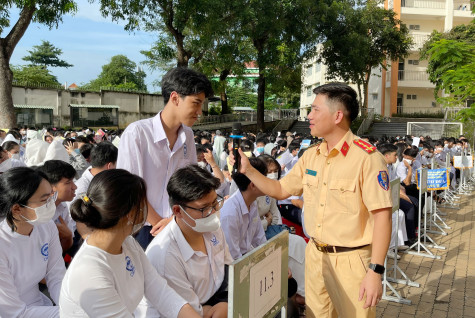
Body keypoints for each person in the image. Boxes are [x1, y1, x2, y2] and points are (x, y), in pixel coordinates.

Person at [234, 83, 392, 318]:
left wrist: (375, 271)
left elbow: (382, 217)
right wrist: (248, 170)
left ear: (338, 115)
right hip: (316, 254)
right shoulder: (311, 156)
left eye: (316, 109)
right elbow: (279, 189)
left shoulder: (367, 158)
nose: (309, 116)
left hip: (352, 260)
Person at [59, 169, 200, 317]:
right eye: (144, 203)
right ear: (131, 213)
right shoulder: (89, 273)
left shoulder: (127, 243)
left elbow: (160, 291)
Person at [117, 67, 213, 249]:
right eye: (196, 103)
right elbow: (130, 191)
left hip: (177, 224)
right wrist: (161, 224)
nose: (200, 111)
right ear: (175, 98)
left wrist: (174, 222)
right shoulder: (137, 134)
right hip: (143, 230)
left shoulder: (188, 136)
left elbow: (189, 185)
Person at [137, 165, 232, 317]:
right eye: (205, 208)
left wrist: (225, 302)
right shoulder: (166, 256)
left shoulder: (211, 228)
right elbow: (189, 312)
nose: (214, 212)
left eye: (216, 203)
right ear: (177, 211)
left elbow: (228, 266)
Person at [0, 167, 66, 317]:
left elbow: (56, 276)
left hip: (42, 307)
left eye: (51, 196)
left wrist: (71, 307)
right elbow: (15, 313)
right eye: (44, 200)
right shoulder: (2, 246)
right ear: (17, 209)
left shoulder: (47, 227)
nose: (51, 204)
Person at [220, 157, 267, 260]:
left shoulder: (252, 203)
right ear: (253, 185)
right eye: (265, 179)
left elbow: (260, 239)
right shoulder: (230, 213)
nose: (268, 182)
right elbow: (233, 257)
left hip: (245, 258)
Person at [36, 160, 77, 252]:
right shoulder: (35, 213)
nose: (75, 187)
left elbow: (66, 247)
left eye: (73, 181)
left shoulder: (62, 206)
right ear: (50, 186)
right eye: (68, 182)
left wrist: (68, 237)